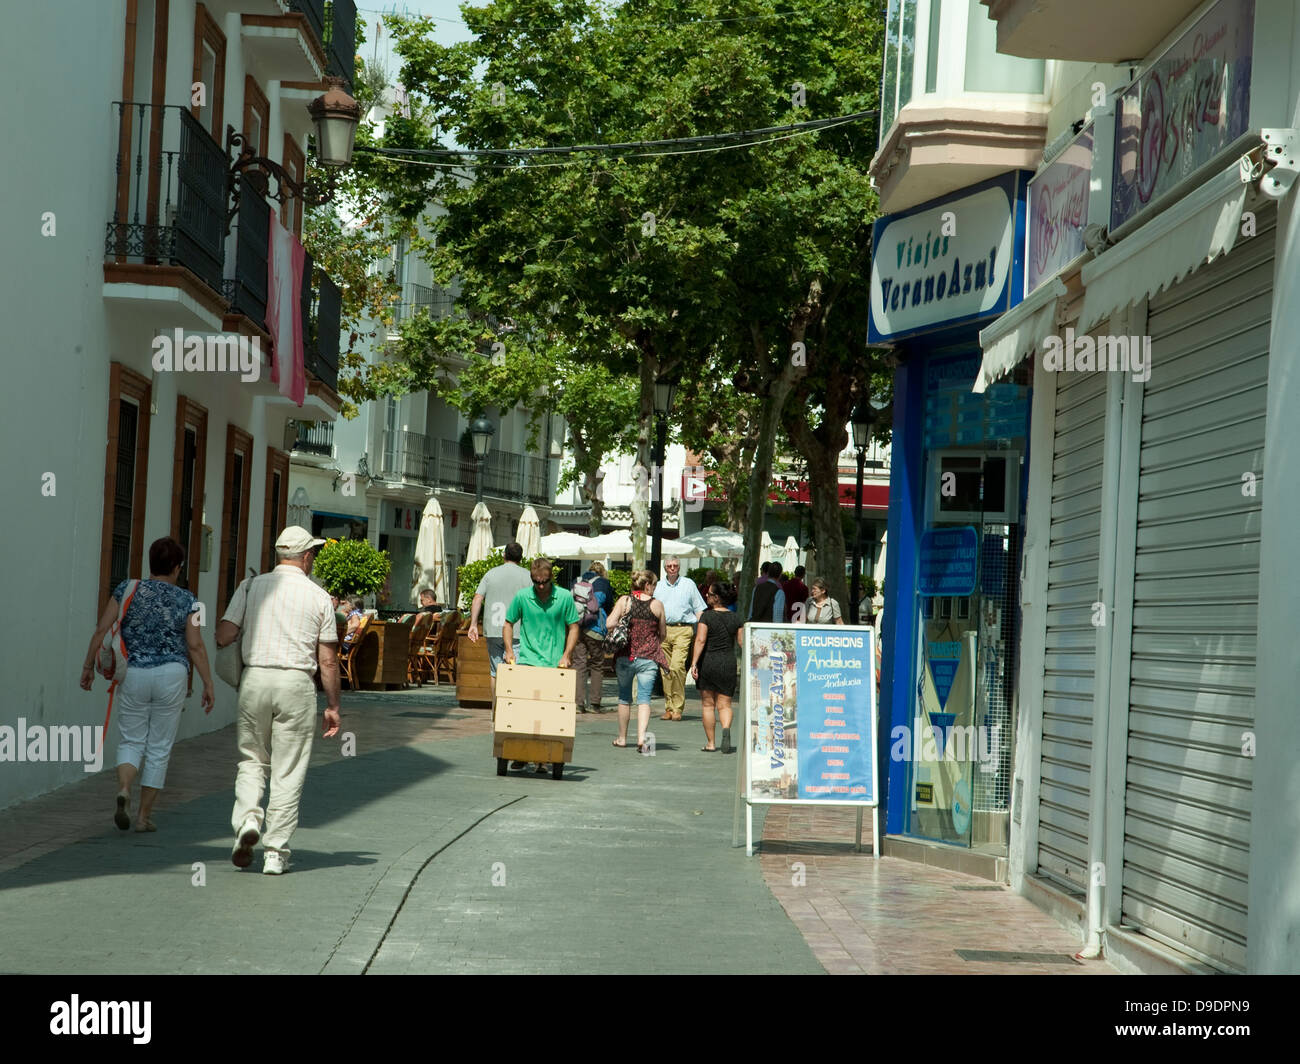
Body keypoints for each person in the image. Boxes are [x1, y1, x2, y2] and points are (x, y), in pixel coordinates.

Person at [215, 526, 341, 875]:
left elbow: (224, 634)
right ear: (304, 557)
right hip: (296, 683)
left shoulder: (251, 586)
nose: (313, 558)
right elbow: (328, 660)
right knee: (288, 769)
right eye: (312, 553)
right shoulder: (318, 596)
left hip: (255, 678)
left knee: (252, 759)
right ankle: (275, 852)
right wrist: (333, 706)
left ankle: (247, 822)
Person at [79, 536, 214, 833]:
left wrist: (88, 666)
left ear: (151, 563)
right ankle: (142, 817)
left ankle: (125, 789)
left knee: (131, 740)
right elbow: (195, 646)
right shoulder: (190, 600)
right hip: (172, 675)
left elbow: (102, 628)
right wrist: (207, 682)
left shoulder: (126, 588)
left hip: (134, 673)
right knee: (159, 746)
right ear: (177, 568)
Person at [502, 557, 580, 772]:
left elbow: (574, 627)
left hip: (555, 665)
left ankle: (543, 759)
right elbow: (508, 624)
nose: (541, 586)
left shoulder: (564, 597)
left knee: (550, 716)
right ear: (532, 579)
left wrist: (567, 654)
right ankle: (521, 754)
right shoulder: (523, 597)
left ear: (551, 578)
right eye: (537, 582)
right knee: (523, 711)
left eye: (545, 581)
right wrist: (509, 650)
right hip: (528, 661)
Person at [605, 571, 668, 752]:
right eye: (654, 585)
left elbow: (609, 623)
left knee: (624, 698)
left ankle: (622, 738)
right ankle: (641, 738)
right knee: (644, 699)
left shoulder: (625, 601)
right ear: (648, 585)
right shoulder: (657, 605)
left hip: (625, 655)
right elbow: (663, 633)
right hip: (648, 657)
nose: (655, 589)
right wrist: (652, 642)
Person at [467, 541, 532, 699]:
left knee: (495, 673)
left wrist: (473, 624)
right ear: (521, 558)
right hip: (517, 631)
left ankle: (496, 709)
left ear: (504, 555)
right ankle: (511, 708)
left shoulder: (491, 573)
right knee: (514, 671)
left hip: (494, 629)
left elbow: (477, 598)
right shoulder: (527, 576)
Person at [691, 582, 744, 753]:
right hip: (728, 662)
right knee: (725, 704)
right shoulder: (736, 618)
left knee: (708, 705)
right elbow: (742, 643)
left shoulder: (706, 617)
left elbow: (700, 641)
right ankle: (726, 728)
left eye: (709, 593)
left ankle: (711, 743)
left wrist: (693, 663)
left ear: (717, 597)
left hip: (709, 662)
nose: (706, 595)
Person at [652, 555, 705, 721]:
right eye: (669, 566)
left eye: (675, 565)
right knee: (665, 669)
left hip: (683, 630)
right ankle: (669, 706)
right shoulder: (658, 586)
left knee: (677, 666)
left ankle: (678, 707)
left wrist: (703, 629)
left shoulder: (689, 584)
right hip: (663, 630)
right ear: (665, 568)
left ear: (679, 567)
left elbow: (699, 609)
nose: (672, 568)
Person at [571, 561, 612, 713]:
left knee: (579, 664)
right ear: (602, 572)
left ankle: (578, 704)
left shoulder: (576, 580)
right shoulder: (603, 583)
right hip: (595, 628)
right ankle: (595, 704)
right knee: (597, 664)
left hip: (577, 626)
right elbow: (608, 605)